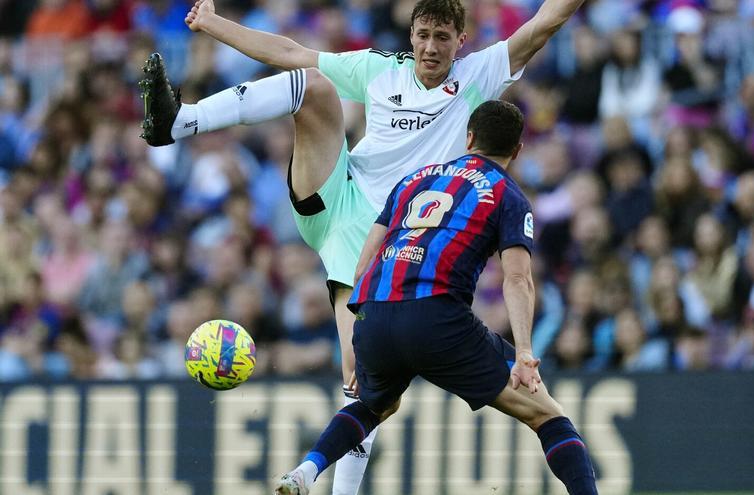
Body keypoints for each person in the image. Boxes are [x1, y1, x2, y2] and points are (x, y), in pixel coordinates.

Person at [138, 1, 590, 493]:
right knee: (309, 83)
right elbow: (289, 48)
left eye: (443, 37)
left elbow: (547, 22)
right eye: (423, 35)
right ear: (411, 34)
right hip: (337, 196)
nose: (430, 47)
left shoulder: (481, 74)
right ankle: (178, 123)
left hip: (387, 240)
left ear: (462, 40)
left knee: (362, 382)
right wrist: (211, 23)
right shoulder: (380, 69)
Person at [275, 101, 597, 495]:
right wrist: (525, 352)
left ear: (470, 138)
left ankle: (306, 470)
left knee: (376, 405)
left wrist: (363, 336)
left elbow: (364, 263)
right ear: (517, 151)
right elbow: (517, 279)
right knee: (549, 416)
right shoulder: (507, 195)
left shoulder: (415, 180)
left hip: (374, 310)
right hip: (435, 315)